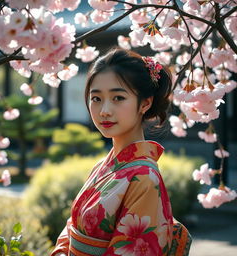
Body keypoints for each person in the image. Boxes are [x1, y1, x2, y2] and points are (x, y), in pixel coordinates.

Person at [51, 47, 191, 256]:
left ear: (145, 103)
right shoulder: (103, 165)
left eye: (118, 98)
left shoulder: (144, 178)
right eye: (96, 98)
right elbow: (73, 227)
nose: (104, 110)